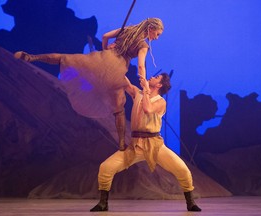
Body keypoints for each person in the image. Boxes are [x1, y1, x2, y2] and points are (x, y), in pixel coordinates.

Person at [14, 18, 164, 151]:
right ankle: (121, 144)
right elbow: (140, 66)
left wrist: (106, 49)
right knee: (119, 109)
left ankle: (32, 57)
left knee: (64, 59)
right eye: (157, 34)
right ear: (150, 28)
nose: (156, 38)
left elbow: (105, 37)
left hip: (101, 59)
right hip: (116, 71)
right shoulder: (143, 46)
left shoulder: (126, 30)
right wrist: (143, 82)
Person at [90, 73, 202, 212]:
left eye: (156, 77)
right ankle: (103, 203)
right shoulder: (139, 93)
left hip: (155, 145)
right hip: (135, 145)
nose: (151, 77)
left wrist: (146, 90)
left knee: (182, 170)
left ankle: (190, 202)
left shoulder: (160, 101)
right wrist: (118, 65)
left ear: (159, 85)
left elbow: (147, 109)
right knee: (106, 167)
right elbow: (126, 83)